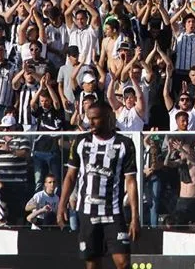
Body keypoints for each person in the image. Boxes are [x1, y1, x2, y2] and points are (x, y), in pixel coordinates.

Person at [58, 102, 140, 269]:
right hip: (87, 212)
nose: (91, 123)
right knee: (92, 264)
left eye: (95, 119)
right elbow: (70, 176)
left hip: (114, 211)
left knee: (123, 263)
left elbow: (131, 181)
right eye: (89, 119)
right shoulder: (81, 141)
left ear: (108, 118)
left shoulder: (125, 144)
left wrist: (134, 216)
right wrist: (61, 205)